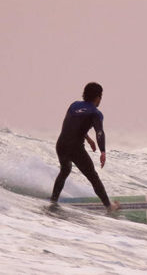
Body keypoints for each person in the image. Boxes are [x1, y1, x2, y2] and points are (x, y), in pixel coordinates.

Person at [50, 82, 120, 212]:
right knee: (93, 177)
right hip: (75, 148)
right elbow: (99, 132)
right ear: (98, 97)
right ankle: (109, 206)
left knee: (65, 170)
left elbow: (72, 125)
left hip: (61, 145)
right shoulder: (95, 113)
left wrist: (87, 138)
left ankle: (53, 200)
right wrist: (103, 151)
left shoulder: (74, 106)